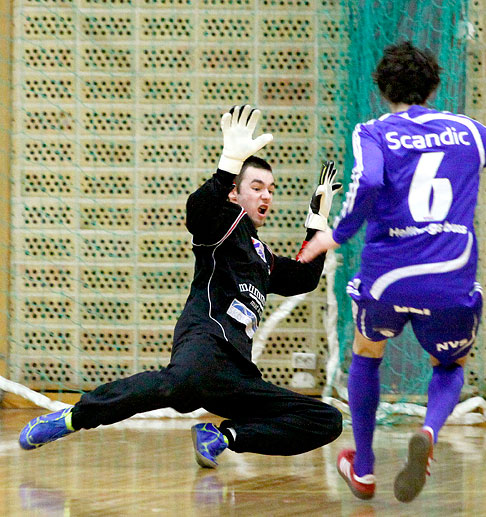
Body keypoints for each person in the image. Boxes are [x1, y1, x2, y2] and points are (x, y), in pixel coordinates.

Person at [298, 41, 486, 502]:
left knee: (367, 352)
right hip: (450, 278)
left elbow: (367, 181)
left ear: (382, 87)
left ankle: (363, 467)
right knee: (449, 363)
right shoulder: (464, 130)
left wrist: (336, 235)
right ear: (433, 86)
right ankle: (429, 429)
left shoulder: (373, 131)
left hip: (388, 278)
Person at [19, 104, 343, 467]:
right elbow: (198, 213)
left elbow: (303, 278)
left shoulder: (262, 255)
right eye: (256, 187)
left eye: (271, 189)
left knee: (326, 420)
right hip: (205, 345)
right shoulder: (223, 225)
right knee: (173, 384)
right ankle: (72, 417)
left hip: (237, 370)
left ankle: (223, 436)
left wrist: (318, 220)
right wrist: (228, 165)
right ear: (235, 195)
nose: (267, 196)